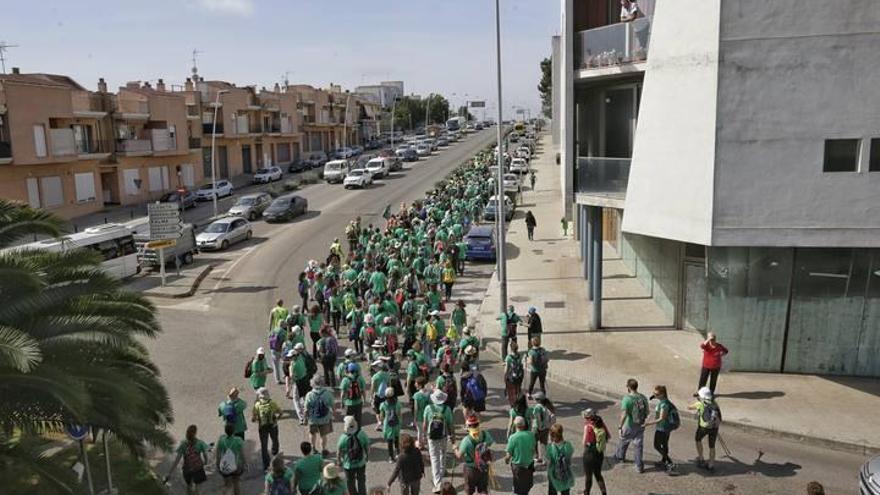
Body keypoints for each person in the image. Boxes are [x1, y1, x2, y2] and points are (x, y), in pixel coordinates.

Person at [423, 389, 455, 493]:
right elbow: (450, 424)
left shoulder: (428, 408)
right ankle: (442, 471)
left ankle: (437, 483)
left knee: (434, 458)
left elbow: (425, 423)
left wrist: (424, 436)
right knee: (442, 454)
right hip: (443, 435)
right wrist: (452, 436)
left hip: (431, 436)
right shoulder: (447, 409)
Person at [614, 378, 649, 473]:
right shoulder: (643, 397)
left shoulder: (627, 399)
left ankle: (620, 457)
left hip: (629, 424)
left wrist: (620, 426)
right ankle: (639, 466)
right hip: (641, 424)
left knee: (623, 440)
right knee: (638, 445)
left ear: (628, 387)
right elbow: (647, 412)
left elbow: (624, 414)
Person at [453, 415, 494, 495]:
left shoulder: (466, 440)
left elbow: (459, 455)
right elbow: (490, 443)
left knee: (469, 491)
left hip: (471, 468)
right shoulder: (485, 434)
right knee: (483, 490)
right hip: (483, 467)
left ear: (468, 426)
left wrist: (455, 448)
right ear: (478, 424)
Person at [163, 424, 209, 494]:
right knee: (198, 488)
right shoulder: (200, 443)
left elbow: (177, 460)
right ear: (195, 433)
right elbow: (205, 455)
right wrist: (205, 462)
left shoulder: (183, 444)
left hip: (187, 470)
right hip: (198, 468)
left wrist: (170, 473)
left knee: (189, 487)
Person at [644, 384, 679, 473]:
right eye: (654, 393)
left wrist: (647, 423)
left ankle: (669, 462)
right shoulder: (665, 402)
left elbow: (661, 418)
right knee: (664, 444)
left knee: (656, 445)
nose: (654, 395)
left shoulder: (664, 405)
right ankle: (664, 461)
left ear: (662, 394)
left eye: (656, 394)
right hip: (666, 427)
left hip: (662, 428)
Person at [688, 386, 722, 472]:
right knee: (712, 446)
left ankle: (701, 458)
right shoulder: (715, 403)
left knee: (698, 439)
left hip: (703, 427)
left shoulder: (700, 404)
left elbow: (689, 407)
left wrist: (697, 401)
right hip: (714, 427)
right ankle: (711, 464)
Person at [251, 387, 282, 471]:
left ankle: (266, 465)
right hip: (273, 426)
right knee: (275, 440)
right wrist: (276, 419)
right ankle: (274, 454)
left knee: (264, 445)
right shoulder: (272, 403)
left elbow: (253, 418)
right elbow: (280, 412)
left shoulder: (257, 405)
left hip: (262, 427)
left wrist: (256, 420)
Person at [304, 375, 335, 457]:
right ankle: (323, 450)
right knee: (323, 435)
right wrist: (333, 414)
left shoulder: (309, 394)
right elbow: (332, 405)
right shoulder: (327, 393)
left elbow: (306, 408)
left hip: (313, 418)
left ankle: (313, 448)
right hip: (325, 418)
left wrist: (305, 418)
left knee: (312, 433)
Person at [338, 415, 370, 495]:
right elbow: (367, 447)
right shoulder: (361, 434)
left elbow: (339, 452)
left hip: (348, 464)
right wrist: (366, 456)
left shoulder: (343, 438)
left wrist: (339, 461)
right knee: (361, 480)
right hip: (360, 462)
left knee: (350, 482)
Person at [504, 416, 536, 495]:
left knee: (517, 489)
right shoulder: (531, 435)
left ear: (515, 425)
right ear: (524, 424)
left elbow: (508, 456)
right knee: (526, 487)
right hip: (529, 465)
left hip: (518, 467)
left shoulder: (513, 437)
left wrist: (506, 460)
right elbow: (533, 449)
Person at [582, 409, 608, 495]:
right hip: (599, 453)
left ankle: (587, 493)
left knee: (588, 476)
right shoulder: (601, 424)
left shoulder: (588, 427)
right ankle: (604, 493)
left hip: (589, 453)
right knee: (598, 474)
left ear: (588, 418)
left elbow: (584, 442)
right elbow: (608, 437)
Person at [216, 422, 246, 495]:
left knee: (227, 485)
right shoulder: (238, 440)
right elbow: (242, 454)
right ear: (234, 431)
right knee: (236, 483)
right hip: (236, 465)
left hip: (226, 465)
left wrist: (218, 465)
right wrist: (245, 463)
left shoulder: (221, 441)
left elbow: (218, 455)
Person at [546, 424, 575, 495]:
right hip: (565, 473)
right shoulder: (568, 445)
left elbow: (549, 462)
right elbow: (570, 458)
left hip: (553, 475)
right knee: (565, 492)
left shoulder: (550, 447)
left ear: (551, 435)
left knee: (552, 492)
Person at [530, 392, 556, 465]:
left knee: (533, 442)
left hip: (537, 428)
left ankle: (536, 456)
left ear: (538, 400)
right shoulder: (547, 407)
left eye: (535, 399)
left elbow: (538, 418)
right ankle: (544, 459)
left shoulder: (537, 407)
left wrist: (539, 427)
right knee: (543, 443)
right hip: (546, 428)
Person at [288, 343, 309, 424]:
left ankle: (302, 418)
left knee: (296, 399)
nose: (289, 358)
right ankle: (307, 413)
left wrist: (290, 368)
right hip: (305, 379)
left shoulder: (294, 365)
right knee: (303, 397)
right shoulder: (300, 358)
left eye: (290, 357)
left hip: (298, 382)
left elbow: (292, 376)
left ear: (294, 356)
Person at [380, 387, 403, 461]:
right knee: (396, 438)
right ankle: (398, 453)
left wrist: (382, 422)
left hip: (388, 424)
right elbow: (399, 414)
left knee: (389, 441)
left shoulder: (383, 404)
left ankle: (391, 457)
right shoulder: (398, 403)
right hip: (396, 423)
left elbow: (381, 416)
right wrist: (400, 422)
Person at [340, 362, 367, 427]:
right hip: (358, 402)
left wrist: (342, 402)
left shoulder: (345, 380)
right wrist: (364, 400)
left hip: (348, 403)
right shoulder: (360, 378)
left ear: (348, 370)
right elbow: (363, 391)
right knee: (358, 419)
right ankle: (358, 432)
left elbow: (342, 393)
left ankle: (349, 432)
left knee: (348, 420)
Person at [411, 376, 431, 447]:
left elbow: (416, 408)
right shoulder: (429, 393)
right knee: (427, 431)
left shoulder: (417, 395)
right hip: (428, 415)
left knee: (420, 431)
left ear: (419, 385)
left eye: (416, 383)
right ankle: (428, 443)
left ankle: (420, 444)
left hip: (420, 415)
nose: (415, 384)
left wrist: (415, 418)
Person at [504, 341, 525, 407]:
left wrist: (505, 376)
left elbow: (506, 369)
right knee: (518, 388)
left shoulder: (509, 357)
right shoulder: (519, 355)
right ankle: (519, 400)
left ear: (510, 349)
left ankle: (513, 404)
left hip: (511, 377)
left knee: (512, 390)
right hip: (519, 375)